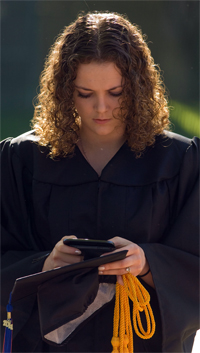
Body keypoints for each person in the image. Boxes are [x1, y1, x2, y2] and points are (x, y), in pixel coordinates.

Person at [1, 11, 199, 353]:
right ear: (64, 91)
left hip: (141, 342)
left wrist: (147, 262)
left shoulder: (178, 161)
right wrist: (44, 265)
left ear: (137, 87)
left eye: (116, 92)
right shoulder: (22, 160)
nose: (101, 108)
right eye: (84, 93)